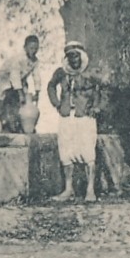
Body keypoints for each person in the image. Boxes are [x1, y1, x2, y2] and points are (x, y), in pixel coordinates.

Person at [47, 41, 106, 202]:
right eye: (70, 56)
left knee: (87, 152)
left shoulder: (92, 73)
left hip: (85, 117)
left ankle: (90, 190)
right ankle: (68, 189)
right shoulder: (61, 73)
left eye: (76, 55)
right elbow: (51, 86)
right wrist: (56, 103)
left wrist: (97, 107)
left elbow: (104, 90)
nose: (73, 59)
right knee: (66, 151)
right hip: (67, 116)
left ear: (82, 56)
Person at [0, 34, 41, 133]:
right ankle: (1, 126)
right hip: (4, 82)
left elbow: (36, 76)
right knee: (1, 107)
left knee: (21, 105)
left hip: (19, 83)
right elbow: (15, 75)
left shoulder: (35, 61)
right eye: (31, 48)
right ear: (25, 47)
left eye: (36, 48)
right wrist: (20, 93)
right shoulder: (17, 59)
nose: (33, 50)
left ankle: (18, 126)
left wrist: (37, 91)